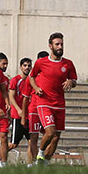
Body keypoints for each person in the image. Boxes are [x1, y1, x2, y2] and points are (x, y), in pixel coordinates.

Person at [29, 33, 77, 164]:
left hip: (60, 104)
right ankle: (40, 154)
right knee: (50, 132)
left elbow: (74, 80)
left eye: (61, 44)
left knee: (56, 137)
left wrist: (71, 83)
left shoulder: (68, 64)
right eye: (57, 44)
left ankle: (44, 164)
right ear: (50, 46)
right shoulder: (41, 62)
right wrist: (36, 88)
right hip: (45, 102)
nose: (60, 47)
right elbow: (31, 77)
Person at [21, 51, 49, 166]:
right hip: (34, 110)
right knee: (33, 137)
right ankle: (34, 162)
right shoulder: (31, 78)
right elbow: (25, 98)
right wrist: (23, 116)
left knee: (50, 135)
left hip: (47, 109)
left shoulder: (50, 76)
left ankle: (42, 158)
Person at [7, 57, 32, 153]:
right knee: (13, 144)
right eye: (25, 65)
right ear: (20, 67)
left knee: (32, 141)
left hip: (29, 115)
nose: (27, 68)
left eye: (29, 66)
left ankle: (31, 165)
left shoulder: (32, 80)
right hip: (18, 115)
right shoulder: (16, 80)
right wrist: (18, 109)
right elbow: (11, 96)